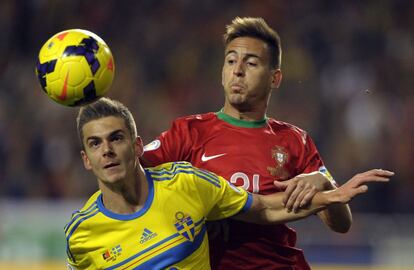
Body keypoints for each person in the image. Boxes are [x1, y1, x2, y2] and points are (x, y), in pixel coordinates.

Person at [65, 97, 392, 269]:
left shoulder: (186, 184)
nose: (106, 150)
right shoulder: (81, 236)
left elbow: (264, 207)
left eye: (116, 138)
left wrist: (330, 194)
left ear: (137, 146)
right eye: (95, 144)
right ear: (85, 159)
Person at [141, 17, 362, 269]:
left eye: (251, 63)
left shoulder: (294, 140)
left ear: (274, 78)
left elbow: (341, 224)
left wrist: (324, 182)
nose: (237, 70)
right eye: (231, 60)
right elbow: (133, 173)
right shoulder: (188, 132)